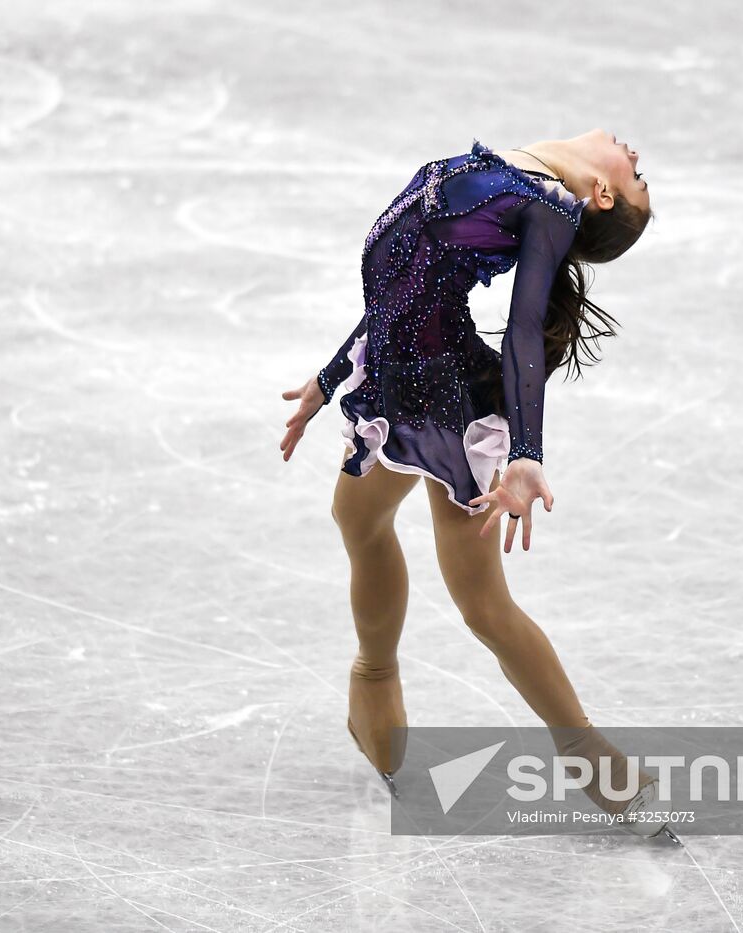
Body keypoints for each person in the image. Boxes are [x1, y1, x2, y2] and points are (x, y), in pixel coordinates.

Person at [279, 130, 676, 843]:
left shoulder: (545, 207)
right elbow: (403, 286)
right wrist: (330, 376)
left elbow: (526, 329)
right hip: (395, 386)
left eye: (639, 175)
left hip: (443, 404)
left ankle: (596, 765)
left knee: (482, 603)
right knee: (358, 523)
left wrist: (525, 451)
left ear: (604, 194)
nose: (635, 151)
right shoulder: (500, 170)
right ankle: (374, 687)